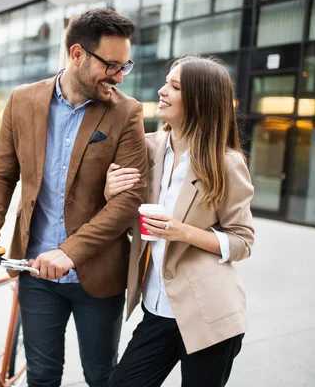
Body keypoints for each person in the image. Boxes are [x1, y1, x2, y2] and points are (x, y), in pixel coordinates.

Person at [0, 9, 149, 387]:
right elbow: (3, 174)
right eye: (110, 65)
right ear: (77, 53)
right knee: (43, 375)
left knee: (101, 375)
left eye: (123, 66)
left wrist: (71, 252)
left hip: (97, 275)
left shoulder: (127, 113)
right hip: (35, 272)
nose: (117, 75)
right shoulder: (22, 101)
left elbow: (129, 200)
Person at [106, 55, 255, 386]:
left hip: (210, 316)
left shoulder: (226, 163)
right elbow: (122, 208)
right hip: (157, 312)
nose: (162, 91)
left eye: (174, 87)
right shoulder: (146, 147)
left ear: (200, 99)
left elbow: (242, 242)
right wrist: (108, 189)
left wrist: (181, 231)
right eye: (166, 82)